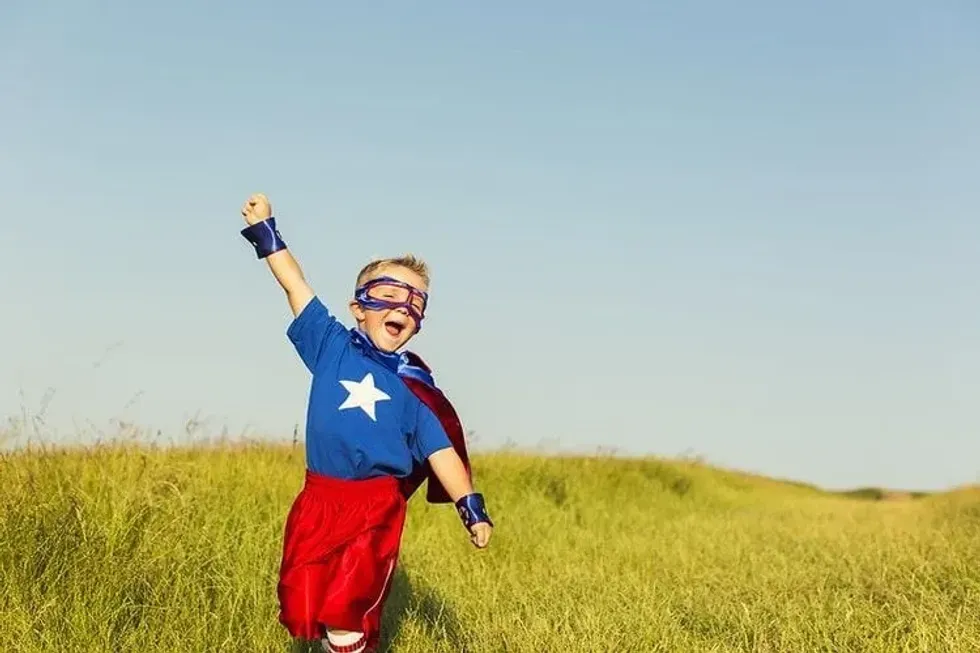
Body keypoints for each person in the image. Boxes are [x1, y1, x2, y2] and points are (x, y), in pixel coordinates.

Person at [238, 193, 493, 653]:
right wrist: (266, 231)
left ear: (419, 321)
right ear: (359, 307)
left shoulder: (414, 391)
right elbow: (296, 286)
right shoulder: (331, 346)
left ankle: (349, 641)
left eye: (414, 303)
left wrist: (469, 505)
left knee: (347, 610)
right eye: (389, 295)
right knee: (305, 604)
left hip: (374, 507)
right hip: (318, 499)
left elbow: (442, 453)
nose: (402, 308)